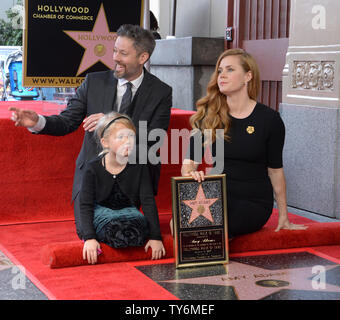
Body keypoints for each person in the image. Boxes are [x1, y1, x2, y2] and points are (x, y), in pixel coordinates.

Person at [9, 24, 172, 240]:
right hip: (92, 181)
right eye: (115, 50)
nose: (115, 58)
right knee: (96, 234)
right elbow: (67, 121)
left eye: (123, 53)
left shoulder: (161, 91)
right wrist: (37, 121)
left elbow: (154, 138)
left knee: (125, 235)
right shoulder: (94, 82)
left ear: (143, 57)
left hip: (134, 179)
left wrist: (109, 121)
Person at [176, 48, 307, 238]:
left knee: (212, 223)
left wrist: (284, 216)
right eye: (220, 71)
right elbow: (188, 164)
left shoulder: (269, 119)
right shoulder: (208, 116)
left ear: (248, 76)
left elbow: (275, 171)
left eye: (230, 70)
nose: (222, 75)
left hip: (252, 201)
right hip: (216, 194)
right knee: (178, 222)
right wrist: (191, 173)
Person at [81, 112, 165, 264]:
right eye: (121, 137)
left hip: (128, 210)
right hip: (102, 211)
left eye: (131, 137)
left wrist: (155, 236)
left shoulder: (139, 166)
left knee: (137, 227)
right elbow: (85, 204)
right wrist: (89, 237)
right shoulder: (92, 168)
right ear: (105, 142)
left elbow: (147, 201)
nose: (128, 141)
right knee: (114, 227)